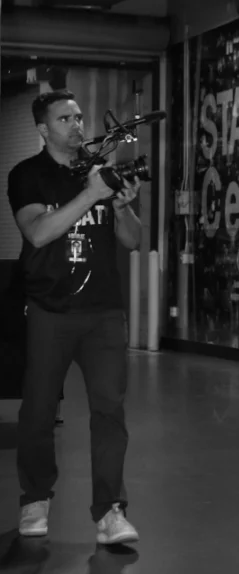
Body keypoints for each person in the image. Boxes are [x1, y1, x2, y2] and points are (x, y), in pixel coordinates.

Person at [7, 90, 141, 545]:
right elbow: (39, 232)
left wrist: (121, 208)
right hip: (50, 310)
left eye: (80, 116)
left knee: (109, 411)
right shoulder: (27, 175)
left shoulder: (100, 173)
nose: (77, 125)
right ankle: (35, 499)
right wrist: (91, 195)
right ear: (43, 129)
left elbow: (132, 241)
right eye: (65, 118)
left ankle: (111, 512)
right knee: (39, 411)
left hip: (103, 311)